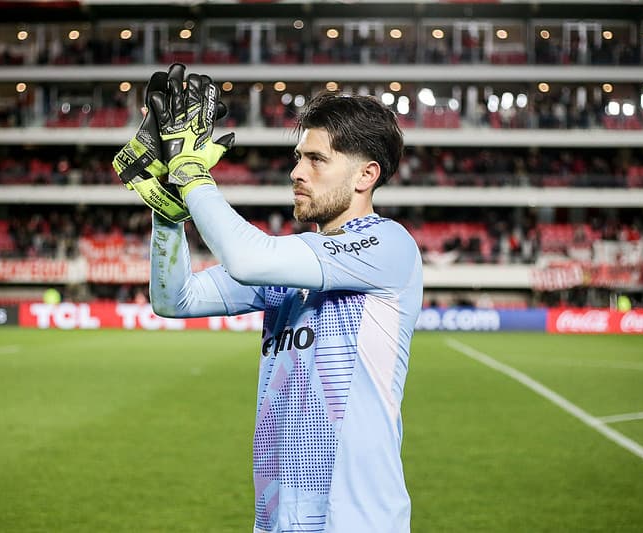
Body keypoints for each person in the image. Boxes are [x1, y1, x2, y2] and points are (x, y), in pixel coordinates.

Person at [114, 65, 423, 532]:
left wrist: (191, 170)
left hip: (357, 521)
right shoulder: (294, 260)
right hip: (279, 519)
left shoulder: (389, 245)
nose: (297, 172)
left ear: (366, 175)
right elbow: (176, 299)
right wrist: (169, 211)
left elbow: (247, 258)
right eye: (298, 157)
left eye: (317, 160)